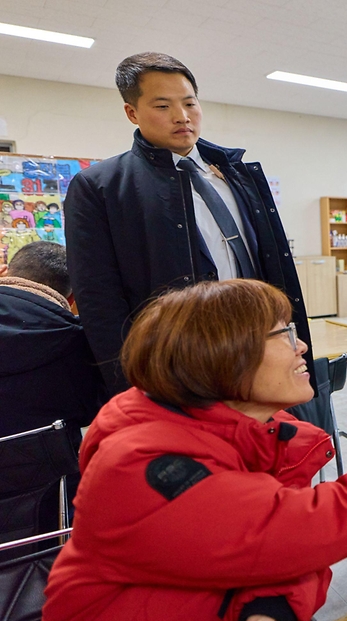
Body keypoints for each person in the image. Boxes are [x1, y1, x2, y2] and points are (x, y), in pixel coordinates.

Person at [38, 279, 347, 621]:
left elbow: (283, 553)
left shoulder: (256, 437)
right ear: (221, 355)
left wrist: (273, 604)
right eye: (284, 333)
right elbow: (298, 531)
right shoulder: (140, 463)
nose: (302, 346)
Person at [64, 52, 314, 397]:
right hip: (181, 358)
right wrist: (130, 386)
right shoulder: (100, 187)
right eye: (162, 106)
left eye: (190, 103)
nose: (182, 116)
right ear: (132, 113)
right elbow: (98, 299)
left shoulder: (237, 174)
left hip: (259, 344)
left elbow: (270, 262)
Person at [0, 241, 103, 439]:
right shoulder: (79, 343)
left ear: (4, 273)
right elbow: (90, 412)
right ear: (71, 300)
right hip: (44, 456)